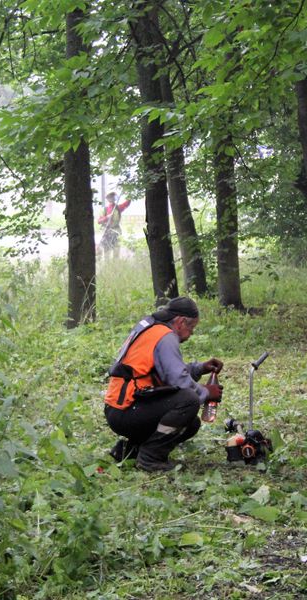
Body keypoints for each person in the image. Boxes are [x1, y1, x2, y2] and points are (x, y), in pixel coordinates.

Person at [104, 297, 224, 472]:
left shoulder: (154, 330)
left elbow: (166, 372)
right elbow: (178, 380)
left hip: (120, 409)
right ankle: (150, 458)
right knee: (189, 400)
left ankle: (130, 451)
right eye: (192, 328)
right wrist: (206, 392)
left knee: (191, 424)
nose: (191, 334)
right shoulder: (165, 336)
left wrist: (200, 368)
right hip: (127, 411)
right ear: (181, 322)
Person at [97, 192, 131, 259]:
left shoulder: (118, 208)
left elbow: (127, 203)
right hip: (107, 231)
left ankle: (116, 264)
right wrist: (107, 217)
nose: (111, 199)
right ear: (107, 199)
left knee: (116, 250)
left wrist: (127, 192)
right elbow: (99, 221)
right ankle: (107, 266)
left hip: (116, 231)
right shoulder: (104, 209)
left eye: (113, 197)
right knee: (106, 251)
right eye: (110, 197)